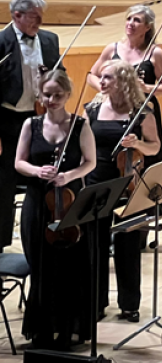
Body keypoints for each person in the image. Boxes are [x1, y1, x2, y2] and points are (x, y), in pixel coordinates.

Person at [16, 70, 96, 349]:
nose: (51, 99)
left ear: (67, 95)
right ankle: (42, 331)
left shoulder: (80, 126)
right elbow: (19, 162)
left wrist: (69, 175)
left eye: (58, 95)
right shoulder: (31, 125)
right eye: (47, 94)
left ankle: (66, 332)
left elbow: (90, 162)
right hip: (38, 205)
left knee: (68, 269)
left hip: (70, 203)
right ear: (39, 95)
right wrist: (38, 171)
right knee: (41, 267)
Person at [85, 59, 162, 323]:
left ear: (124, 81)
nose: (102, 82)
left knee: (128, 246)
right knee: (95, 245)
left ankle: (129, 304)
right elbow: (83, 145)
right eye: (102, 77)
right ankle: (95, 302)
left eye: (108, 78)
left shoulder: (142, 112)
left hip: (129, 183)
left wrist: (138, 141)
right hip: (98, 182)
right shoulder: (93, 108)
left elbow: (154, 148)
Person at [87, 5, 162, 212]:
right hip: (112, 108)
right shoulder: (112, 49)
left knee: (147, 158)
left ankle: (145, 213)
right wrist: (104, 88)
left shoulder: (155, 52)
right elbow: (91, 74)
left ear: (147, 27)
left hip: (142, 111)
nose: (130, 24)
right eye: (129, 19)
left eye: (137, 20)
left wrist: (146, 87)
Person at [0, 0, 61, 250]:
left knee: (44, 176)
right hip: (8, 119)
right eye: (34, 17)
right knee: (5, 183)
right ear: (17, 15)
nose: (39, 23)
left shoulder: (48, 40)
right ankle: (1, 242)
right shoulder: (1, 41)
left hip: (39, 118)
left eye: (40, 17)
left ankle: (45, 235)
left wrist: (53, 80)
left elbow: (61, 73)